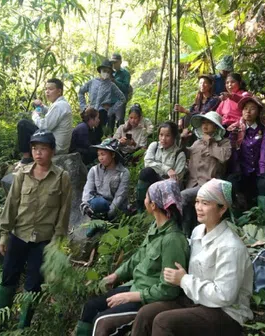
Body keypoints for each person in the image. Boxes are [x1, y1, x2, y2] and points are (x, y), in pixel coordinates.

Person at [131, 178, 254, 336]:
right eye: (197, 202)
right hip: (195, 301)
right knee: (146, 314)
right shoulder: (198, 232)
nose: (199, 208)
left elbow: (224, 296)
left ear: (222, 208)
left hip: (226, 312)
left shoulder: (230, 247)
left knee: (163, 322)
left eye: (206, 203)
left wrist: (184, 280)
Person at [75, 180, 189, 336]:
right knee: (90, 307)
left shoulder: (172, 240)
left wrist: (131, 297)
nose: (144, 199)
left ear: (154, 205)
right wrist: (116, 275)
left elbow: (168, 290)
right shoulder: (156, 227)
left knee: (102, 322)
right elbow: (138, 257)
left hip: (147, 298)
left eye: (147, 196)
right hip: (135, 285)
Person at [0, 130, 72, 328]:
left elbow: (64, 212)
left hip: (43, 240)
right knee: (8, 279)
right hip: (19, 234)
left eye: (43, 149)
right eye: (35, 149)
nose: (38, 153)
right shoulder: (22, 174)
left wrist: (58, 240)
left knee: (33, 285)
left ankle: (24, 328)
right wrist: (4, 234)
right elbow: (11, 205)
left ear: (52, 152)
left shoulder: (62, 177)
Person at [180, 111, 232, 236]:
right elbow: (186, 154)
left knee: (183, 196)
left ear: (216, 126)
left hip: (210, 184)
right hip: (192, 183)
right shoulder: (197, 142)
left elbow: (224, 157)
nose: (205, 126)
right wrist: (183, 141)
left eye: (209, 123)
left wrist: (211, 142)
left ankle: (186, 233)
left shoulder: (224, 143)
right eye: (203, 123)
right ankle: (186, 233)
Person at [227, 96, 265, 213]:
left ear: (258, 112)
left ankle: (263, 215)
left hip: (259, 170)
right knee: (231, 181)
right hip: (243, 171)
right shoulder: (235, 128)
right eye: (245, 108)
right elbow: (232, 151)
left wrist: (263, 173)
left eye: (252, 109)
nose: (248, 112)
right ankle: (238, 213)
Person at [80, 138, 130, 237]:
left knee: (100, 203)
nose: (100, 158)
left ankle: (103, 222)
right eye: (99, 155)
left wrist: (110, 212)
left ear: (113, 154)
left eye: (103, 154)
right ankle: (96, 222)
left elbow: (120, 196)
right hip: (97, 205)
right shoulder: (94, 170)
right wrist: (85, 205)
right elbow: (88, 189)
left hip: (115, 207)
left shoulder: (123, 173)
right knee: (97, 202)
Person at [17, 78, 72, 166]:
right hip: (59, 145)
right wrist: (41, 107)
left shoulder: (59, 106)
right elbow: (50, 113)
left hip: (56, 147)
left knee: (23, 124)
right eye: (46, 89)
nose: (47, 92)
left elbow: (45, 126)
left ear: (59, 91)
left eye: (50, 89)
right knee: (27, 125)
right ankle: (29, 156)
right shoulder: (61, 104)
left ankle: (26, 158)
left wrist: (35, 115)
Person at [136, 121, 186, 212]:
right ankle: (140, 207)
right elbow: (147, 162)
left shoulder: (179, 154)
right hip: (153, 180)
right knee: (146, 172)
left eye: (167, 135)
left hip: (168, 186)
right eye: (161, 135)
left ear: (174, 136)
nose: (163, 138)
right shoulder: (154, 146)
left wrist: (165, 177)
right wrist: (167, 169)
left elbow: (177, 179)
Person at [78, 60, 126, 132]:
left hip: (102, 114)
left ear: (110, 73)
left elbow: (122, 98)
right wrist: (84, 107)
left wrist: (111, 110)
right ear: (100, 71)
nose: (106, 73)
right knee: (86, 132)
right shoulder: (92, 82)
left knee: (97, 135)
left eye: (108, 72)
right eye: (104, 70)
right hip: (90, 111)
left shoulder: (111, 85)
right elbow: (81, 92)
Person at [109, 53, 131, 129]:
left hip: (120, 101)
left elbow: (125, 87)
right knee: (110, 121)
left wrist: (115, 81)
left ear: (120, 62)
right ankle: (109, 138)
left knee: (120, 120)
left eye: (115, 62)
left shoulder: (125, 73)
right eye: (112, 62)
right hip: (110, 101)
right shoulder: (110, 72)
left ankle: (121, 138)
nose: (114, 64)